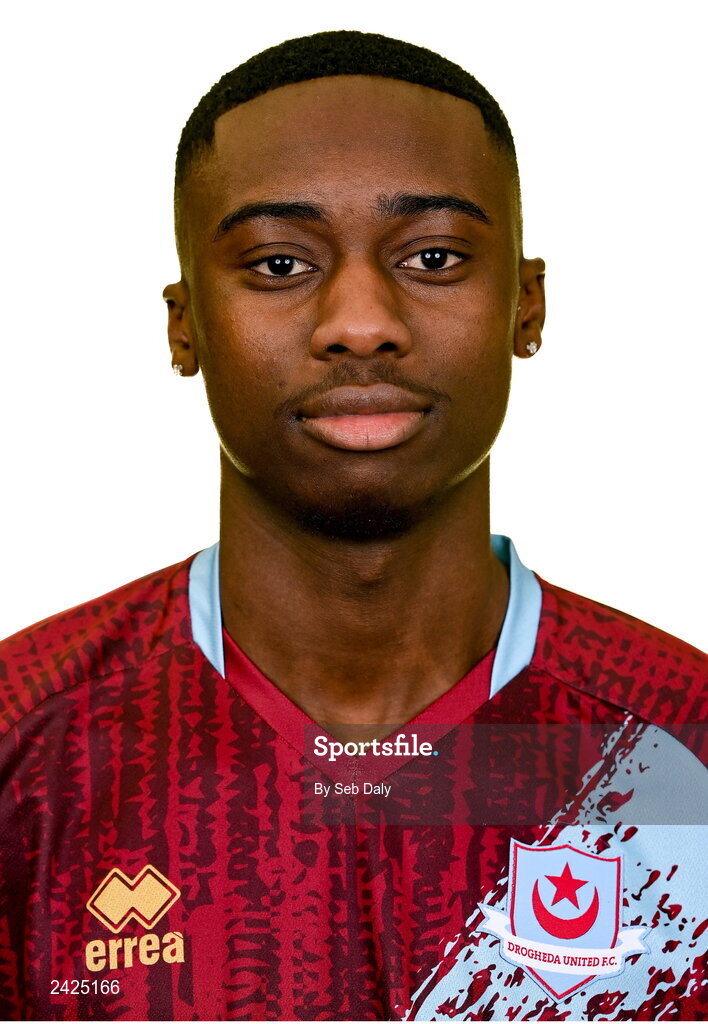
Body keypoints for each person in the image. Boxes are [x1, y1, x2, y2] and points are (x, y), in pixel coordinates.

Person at [0, 29, 705, 1023]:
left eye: (432, 255)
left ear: (527, 306)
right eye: (281, 262)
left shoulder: (681, 753)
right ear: (183, 323)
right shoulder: (25, 744)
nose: (361, 320)